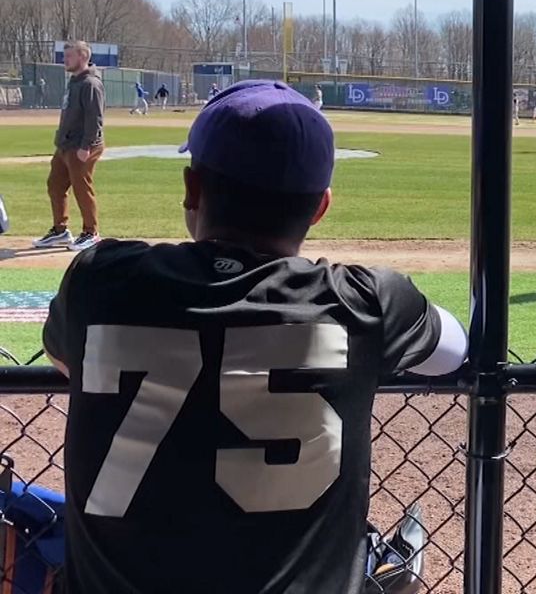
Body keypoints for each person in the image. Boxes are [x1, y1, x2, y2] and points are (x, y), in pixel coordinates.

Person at [42, 79, 468, 594]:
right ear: (320, 207)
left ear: (192, 188)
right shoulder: (364, 301)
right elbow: (453, 350)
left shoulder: (100, 278)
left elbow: (65, 360)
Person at [33, 40, 104, 252]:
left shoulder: (90, 84)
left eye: (69, 56)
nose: (65, 60)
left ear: (83, 57)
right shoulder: (74, 81)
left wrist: (86, 146)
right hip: (65, 144)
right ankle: (60, 230)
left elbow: (95, 119)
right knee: (55, 185)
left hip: (82, 146)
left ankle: (91, 233)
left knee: (82, 189)